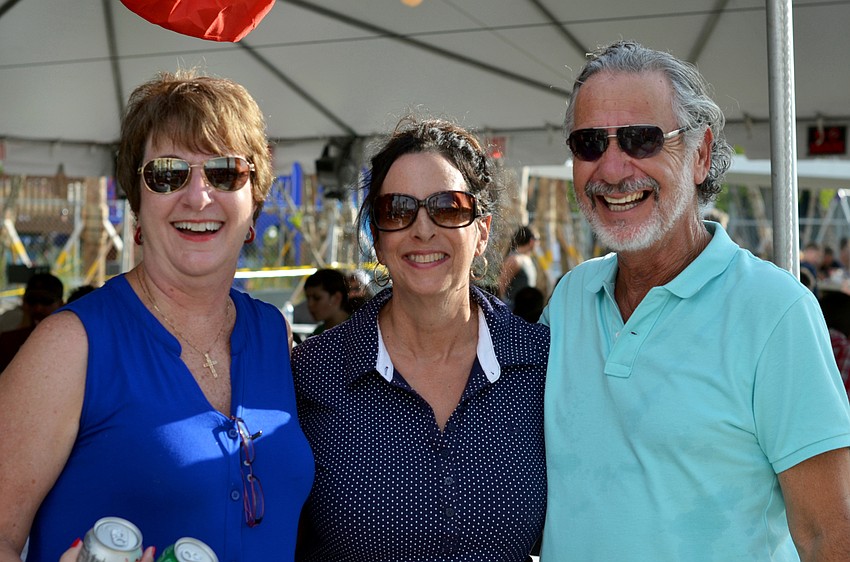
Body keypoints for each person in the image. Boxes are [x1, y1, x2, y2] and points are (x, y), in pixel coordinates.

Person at [540, 40, 850, 560]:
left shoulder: (776, 312)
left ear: (700, 155)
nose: (612, 169)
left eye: (641, 140)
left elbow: (830, 535)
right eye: (589, 142)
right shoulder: (571, 298)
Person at [0, 70, 314, 562]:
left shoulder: (273, 333)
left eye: (225, 172)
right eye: (167, 174)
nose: (198, 196)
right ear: (138, 205)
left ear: (254, 202)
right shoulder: (72, 344)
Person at [292, 116, 549, 561]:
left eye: (448, 207)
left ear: (482, 231)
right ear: (377, 237)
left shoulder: (541, 365)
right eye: (397, 210)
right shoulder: (312, 372)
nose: (423, 229)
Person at [0, 272, 64, 372]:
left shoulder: (68, 339)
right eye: (32, 301)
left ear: (60, 304)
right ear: (24, 302)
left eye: (46, 301)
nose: (38, 308)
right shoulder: (8, 333)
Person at [497, 225, 539, 308]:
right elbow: (501, 286)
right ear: (532, 241)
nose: (539, 243)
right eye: (538, 239)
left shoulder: (527, 259)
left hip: (526, 309)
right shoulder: (514, 260)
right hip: (513, 309)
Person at [303, 268, 351, 336]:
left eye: (317, 298)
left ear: (337, 298)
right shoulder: (317, 333)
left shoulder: (357, 329)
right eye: (308, 298)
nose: (310, 304)